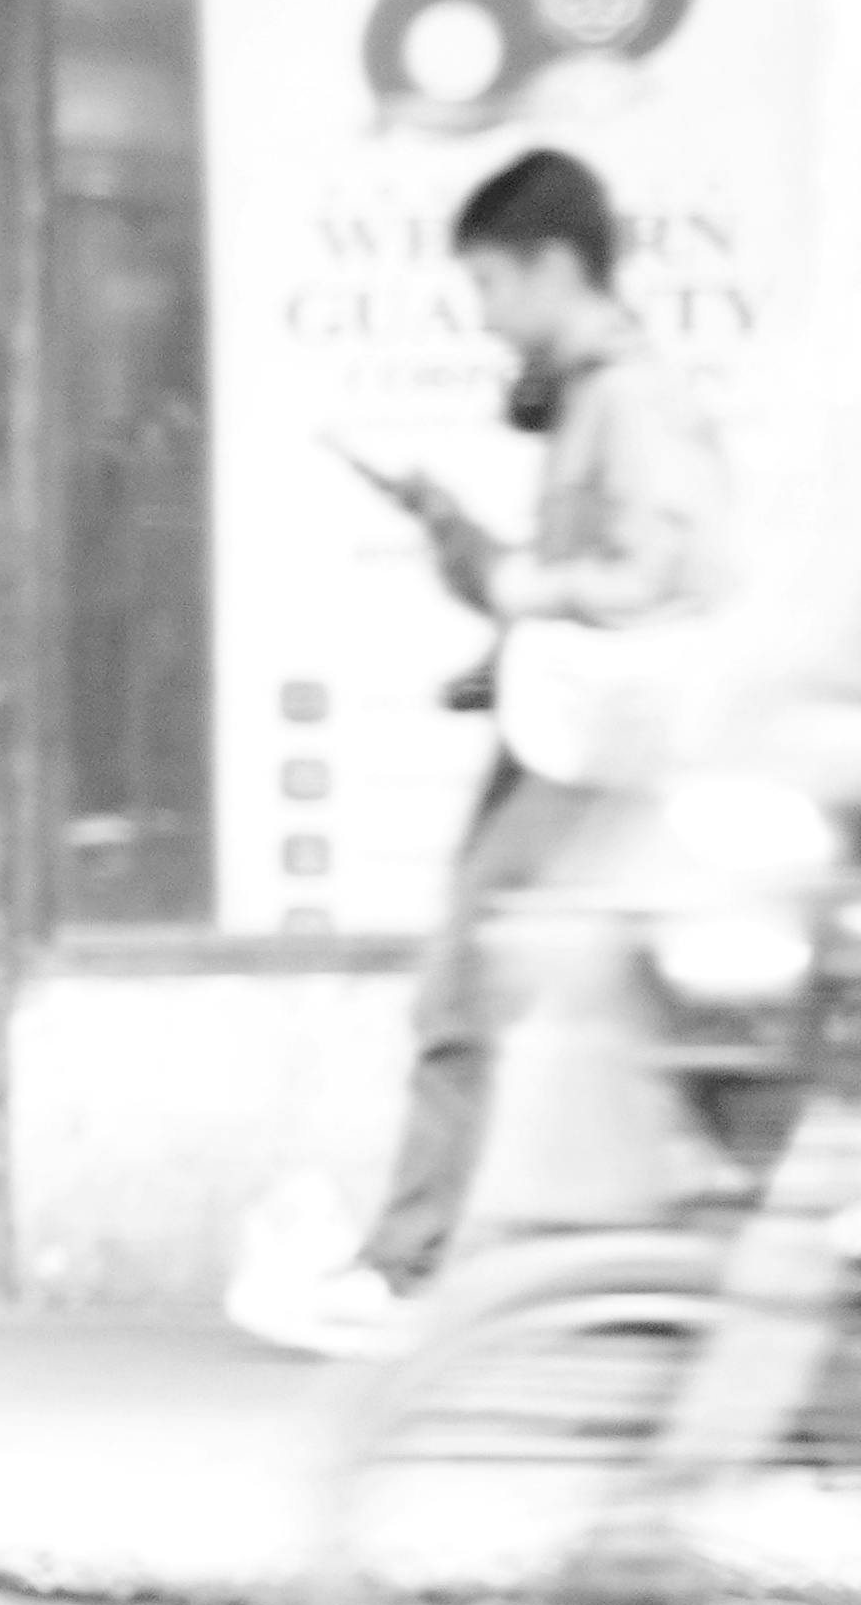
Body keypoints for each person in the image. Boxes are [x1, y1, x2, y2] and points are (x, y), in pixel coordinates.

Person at [239, 147, 727, 1359]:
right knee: (630, 1000)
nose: (489, 324)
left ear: (556, 265)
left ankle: (410, 1267)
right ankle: (685, 1271)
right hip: (565, 731)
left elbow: (656, 573)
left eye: (494, 291)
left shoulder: (629, 395)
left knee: (469, 984)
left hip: (585, 746)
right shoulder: (605, 396)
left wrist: (519, 579)